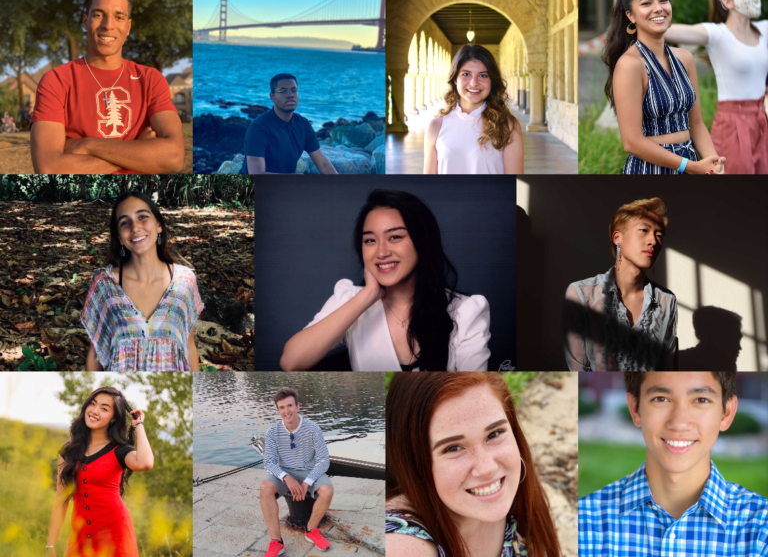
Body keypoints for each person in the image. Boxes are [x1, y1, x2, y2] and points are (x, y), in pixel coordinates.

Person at [280, 189, 491, 371]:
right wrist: (369, 295)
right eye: (370, 240)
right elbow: (291, 362)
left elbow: (472, 389)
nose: (381, 252)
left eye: (395, 237)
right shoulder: (348, 298)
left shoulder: (466, 310)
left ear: (422, 241)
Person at [579, 372, 767, 556]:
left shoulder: (761, 530)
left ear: (726, 413)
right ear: (635, 408)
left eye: (701, 400)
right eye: (660, 398)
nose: (679, 423)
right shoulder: (583, 522)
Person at [385, 372, 561, 557]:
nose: (487, 468)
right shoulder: (401, 546)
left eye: (494, 434)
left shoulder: (519, 499)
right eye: (453, 448)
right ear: (412, 460)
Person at [30, 0, 184, 175]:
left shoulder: (151, 80)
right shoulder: (56, 81)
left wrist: (87, 145)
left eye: (119, 17)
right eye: (98, 15)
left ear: (128, 26)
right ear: (85, 21)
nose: (108, 25)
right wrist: (138, 149)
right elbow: (49, 168)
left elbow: (174, 158)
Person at [603, 0, 725, 175]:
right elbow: (632, 142)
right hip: (651, 169)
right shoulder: (630, 65)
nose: (658, 8)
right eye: (646, 3)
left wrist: (713, 164)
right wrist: (690, 166)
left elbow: (696, 124)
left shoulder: (685, 58)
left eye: (663, 0)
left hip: (690, 164)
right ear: (630, 16)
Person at [81, 192, 203, 371]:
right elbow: (96, 353)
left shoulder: (185, 282)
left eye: (142, 217)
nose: (135, 227)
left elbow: (189, 347)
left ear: (159, 225)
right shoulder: (105, 284)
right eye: (125, 222)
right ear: (119, 237)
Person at [664, 0, 768, 175]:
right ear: (727, 2)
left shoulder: (765, 29)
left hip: (762, 120)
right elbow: (666, 30)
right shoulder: (717, 34)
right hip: (733, 124)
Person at [563, 197, 677, 371]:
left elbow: (668, 370)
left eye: (659, 235)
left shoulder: (666, 301)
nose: (653, 241)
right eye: (644, 230)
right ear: (617, 238)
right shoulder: (580, 295)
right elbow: (577, 370)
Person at [46, 386, 153, 557]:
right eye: (93, 404)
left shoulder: (120, 450)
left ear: (113, 418)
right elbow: (61, 500)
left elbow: (146, 463)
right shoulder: (69, 451)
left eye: (104, 409)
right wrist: (50, 546)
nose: (95, 411)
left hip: (116, 535)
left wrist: (138, 424)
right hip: (80, 537)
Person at [424, 45, 524, 175]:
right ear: (455, 79)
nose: (474, 83)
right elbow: (429, 183)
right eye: (466, 74)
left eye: (483, 75)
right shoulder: (436, 126)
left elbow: (514, 185)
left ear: (492, 81)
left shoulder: (508, 126)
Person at [261, 387, 334, 556]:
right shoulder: (273, 431)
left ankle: (311, 530)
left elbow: (323, 460)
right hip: (285, 471)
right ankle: (277, 542)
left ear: (297, 407)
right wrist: (286, 477)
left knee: (327, 490)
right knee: (265, 487)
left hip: (309, 470)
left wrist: (308, 480)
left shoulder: (313, 428)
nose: (286, 411)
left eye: (289, 406)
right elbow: (269, 462)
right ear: (278, 410)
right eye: (282, 407)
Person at [240, 73, 339, 175]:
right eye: (283, 91)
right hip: (249, 187)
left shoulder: (303, 125)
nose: (291, 94)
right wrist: (295, 181)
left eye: (294, 90)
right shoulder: (258, 128)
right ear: (272, 96)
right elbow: (257, 175)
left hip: (285, 185)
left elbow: (323, 164)